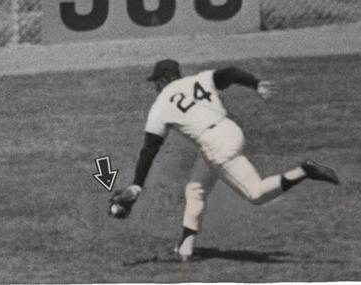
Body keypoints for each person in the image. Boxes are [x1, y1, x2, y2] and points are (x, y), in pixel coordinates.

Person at [109, 59, 340, 260]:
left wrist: (137, 186)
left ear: (163, 80)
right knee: (195, 189)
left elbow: (149, 149)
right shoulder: (198, 79)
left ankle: (305, 171)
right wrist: (256, 84)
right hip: (230, 131)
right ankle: (185, 249)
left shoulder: (160, 106)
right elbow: (229, 73)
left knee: (256, 194)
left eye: (155, 82)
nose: (155, 88)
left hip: (215, 146)